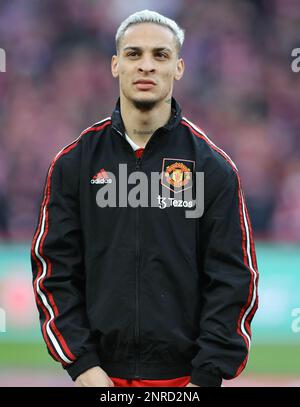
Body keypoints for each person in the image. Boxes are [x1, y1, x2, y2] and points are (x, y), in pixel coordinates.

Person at [30, 9, 259, 388]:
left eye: (160, 55)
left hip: (186, 382)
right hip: (99, 379)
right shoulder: (74, 163)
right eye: (134, 54)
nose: (147, 66)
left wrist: (206, 375)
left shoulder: (213, 168)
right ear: (115, 65)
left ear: (180, 67)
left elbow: (234, 279)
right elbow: (53, 271)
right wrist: (83, 365)